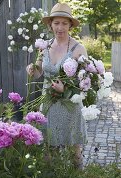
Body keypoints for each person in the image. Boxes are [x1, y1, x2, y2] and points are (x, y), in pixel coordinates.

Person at [26, 3, 87, 167]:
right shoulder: (45, 47)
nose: (60, 27)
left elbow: (85, 84)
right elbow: (39, 72)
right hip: (48, 104)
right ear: (50, 24)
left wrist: (65, 88)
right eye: (56, 23)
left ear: (70, 25)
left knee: (75, 150)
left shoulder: (78, 49)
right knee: (48, 149)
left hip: (69, 106)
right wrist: (33, 69)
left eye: (64, 23)